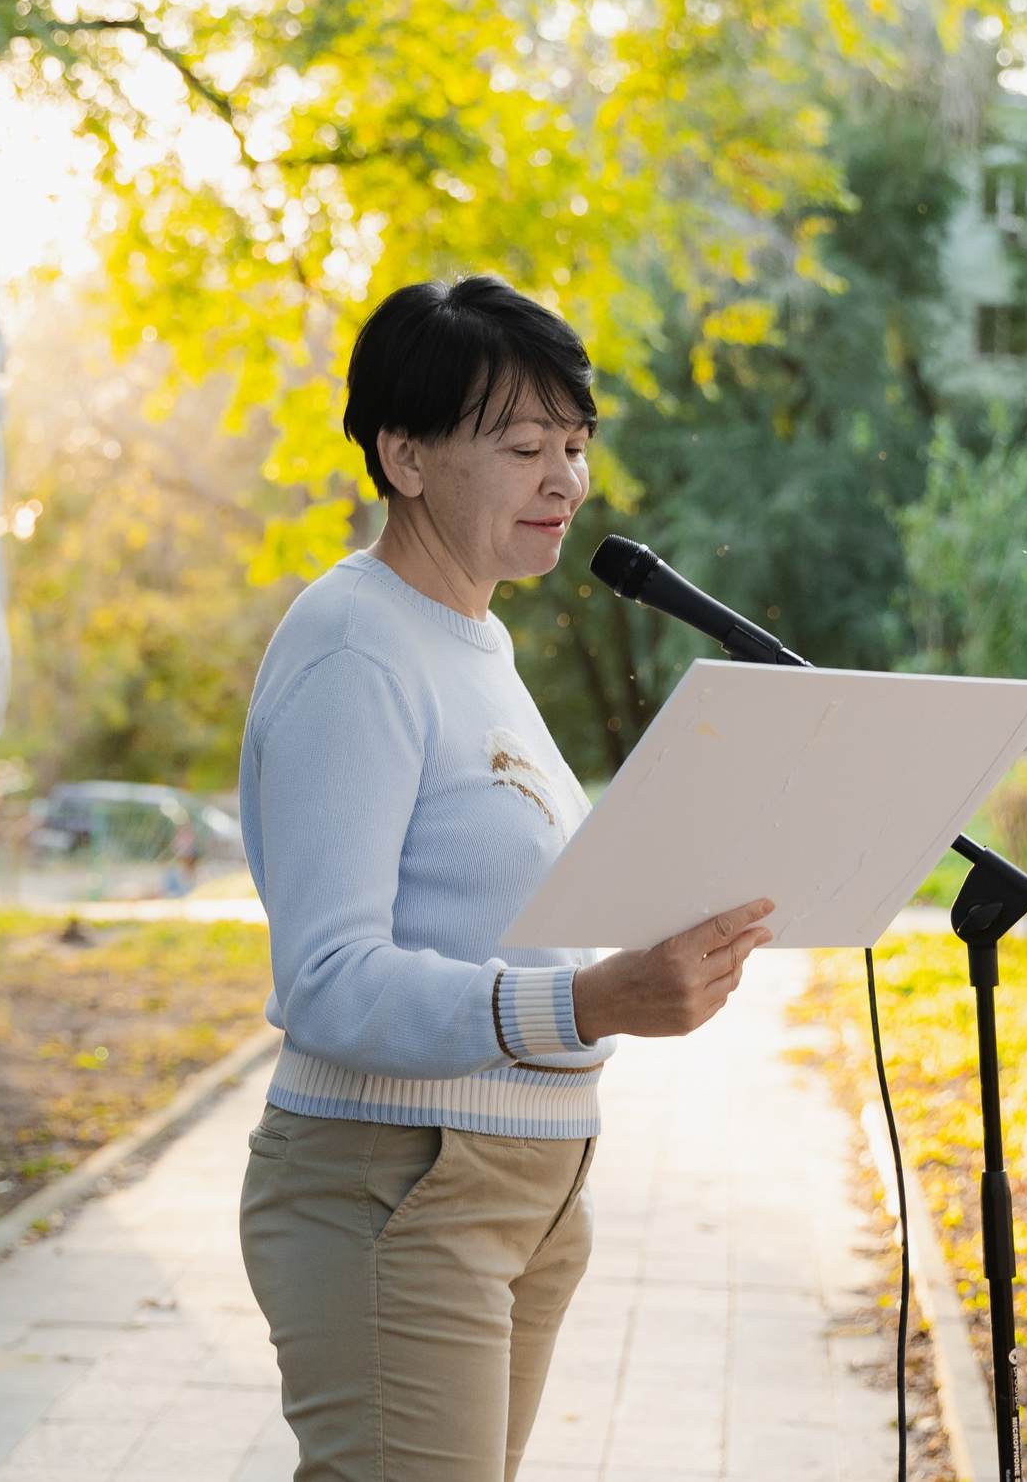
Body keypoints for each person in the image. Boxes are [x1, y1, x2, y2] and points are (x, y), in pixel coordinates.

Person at [237, 274, 774, 1481]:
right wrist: (588, 1004)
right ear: (407, 457)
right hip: (396, 1188)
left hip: (523, 1185)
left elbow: (497, 914)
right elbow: (327, 980)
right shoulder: (354, 646)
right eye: (524, 444)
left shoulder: (473, 640)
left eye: (575, 445)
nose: (564, 480)